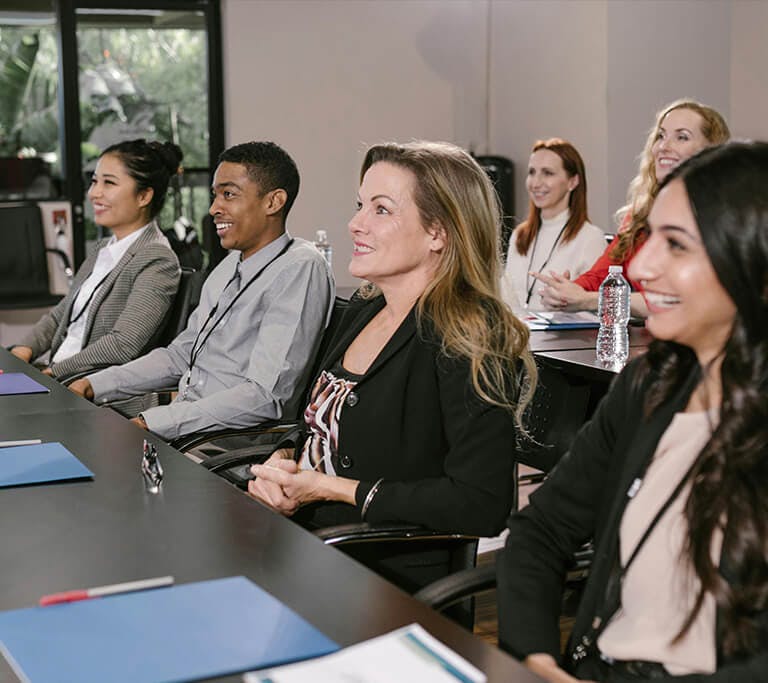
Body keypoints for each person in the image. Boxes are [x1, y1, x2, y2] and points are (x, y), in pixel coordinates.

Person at [497, 141, 768, 682]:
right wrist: (537, 659)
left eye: (677, 245)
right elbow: (541, 532)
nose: (641, 265)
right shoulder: (649, 386)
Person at [247, 141, 536, 542]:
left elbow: (481, 504)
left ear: (438, 232)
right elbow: (320, 421)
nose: (355, 223)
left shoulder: (469, 338)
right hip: (302, 539)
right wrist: (283, 460)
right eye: (360, 205)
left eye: (380, 209)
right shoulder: (363, 310)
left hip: (372, 568)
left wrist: (330, 488)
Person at [69, 141, 334, 442]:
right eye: (215, 195)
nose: (213, 209)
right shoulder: (228, 266)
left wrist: (151, 422)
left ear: (273, 202)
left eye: (229, 194)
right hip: (182, 434)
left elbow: (264, 396)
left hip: (220, 448)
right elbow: (180, 357)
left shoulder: (300, 266)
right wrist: (93, 383)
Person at [535, 99, 730, 317]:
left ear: (711, 152)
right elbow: (604, 274)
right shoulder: (641, 214)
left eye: (681, 137)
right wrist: (567, 291)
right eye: (661, 136)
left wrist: (589, 300)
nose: (664, 146)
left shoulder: (721, 219)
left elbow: (678, 299)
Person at [11, 139, 181, 379]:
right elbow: (62, 314)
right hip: (60, 377)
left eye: (109, 183)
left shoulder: (157, 258)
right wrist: (22, 351)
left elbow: (123, 344)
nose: (94, 193)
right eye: (94, 182)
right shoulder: (104, 248)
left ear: (144, 196)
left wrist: (53, 373)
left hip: (96, 392)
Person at [501, 138, 606, 312]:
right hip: (517, 333)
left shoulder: (590, 238)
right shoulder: (520, 234)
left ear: (573, 182)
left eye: (548, 173)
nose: (535, 183)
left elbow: (595, 310)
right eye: (532, 172)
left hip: (564, 338)